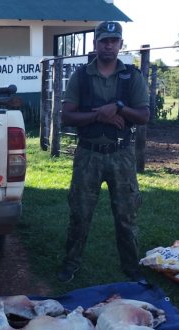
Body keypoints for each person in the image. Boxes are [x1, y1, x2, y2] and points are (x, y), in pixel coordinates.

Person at [57, 21, 150, 283]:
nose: (108, 45)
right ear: (95, 43)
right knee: (80, 213)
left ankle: (131, 268)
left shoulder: (132, 76)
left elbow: (143, 115)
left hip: (121, 154)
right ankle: (70, 263)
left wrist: (118, 107)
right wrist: (102, 114)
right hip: (88, 154)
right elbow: (67, 116)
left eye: (113, 40)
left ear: (121, 44)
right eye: (103, 40)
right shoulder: (81, 76)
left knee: (126, 214)